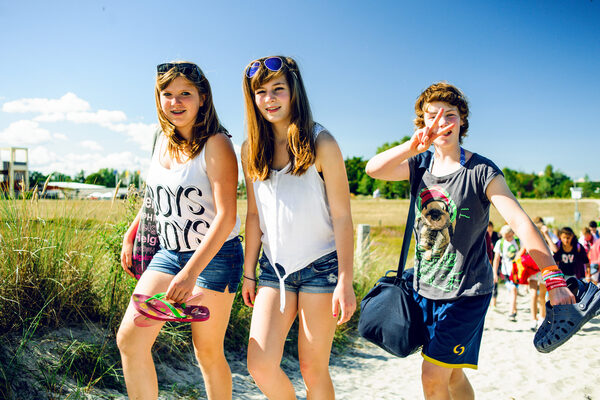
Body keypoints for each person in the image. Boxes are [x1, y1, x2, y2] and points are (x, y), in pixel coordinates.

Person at [365, 82, 574, 400]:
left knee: (432, 375)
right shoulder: (419, 166)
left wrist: (553, 275)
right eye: (431, 116)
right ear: (421, 122)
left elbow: (518, 220)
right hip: (423, 290)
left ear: (462, 120)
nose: (440, 123)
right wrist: (412, 146)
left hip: (466, 293)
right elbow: (373, 169)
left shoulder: (481, 171)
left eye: (449, 115)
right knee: (452, 375)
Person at [117, 61, 243, 400]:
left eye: (185, 94)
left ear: (202, 98)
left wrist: (190, 274)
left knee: (207, 351)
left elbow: (227, 216)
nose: (175, 102)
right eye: (167, 94)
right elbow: (155, 196)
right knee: (130, 338)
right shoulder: (160, 139)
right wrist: (133, 232)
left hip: (215, 259)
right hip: (168, 254)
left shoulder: (217, 144)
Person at [240, 55, 356, 399]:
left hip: (321, 269)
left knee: (312, 369)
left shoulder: (322, 142)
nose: (270, 99)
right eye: (261, 92)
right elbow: (254, 216)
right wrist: (249, 271)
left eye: (278, 89)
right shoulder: (250, 149)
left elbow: (343, 217)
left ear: (294, 93)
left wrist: (346, 281)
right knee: (259, 364)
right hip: (273, 270)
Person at [492, 225, 521, 321]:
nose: (507, 238)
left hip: (517, 271)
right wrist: (494, 273)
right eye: (505, 236)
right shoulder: (500, 243)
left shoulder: (518, 241)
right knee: (512, 290)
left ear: (512, 233)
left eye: (509, 236)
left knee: (513, 290)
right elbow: (496, 258)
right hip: (506, 271)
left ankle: (512, 311)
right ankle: (513, 310)